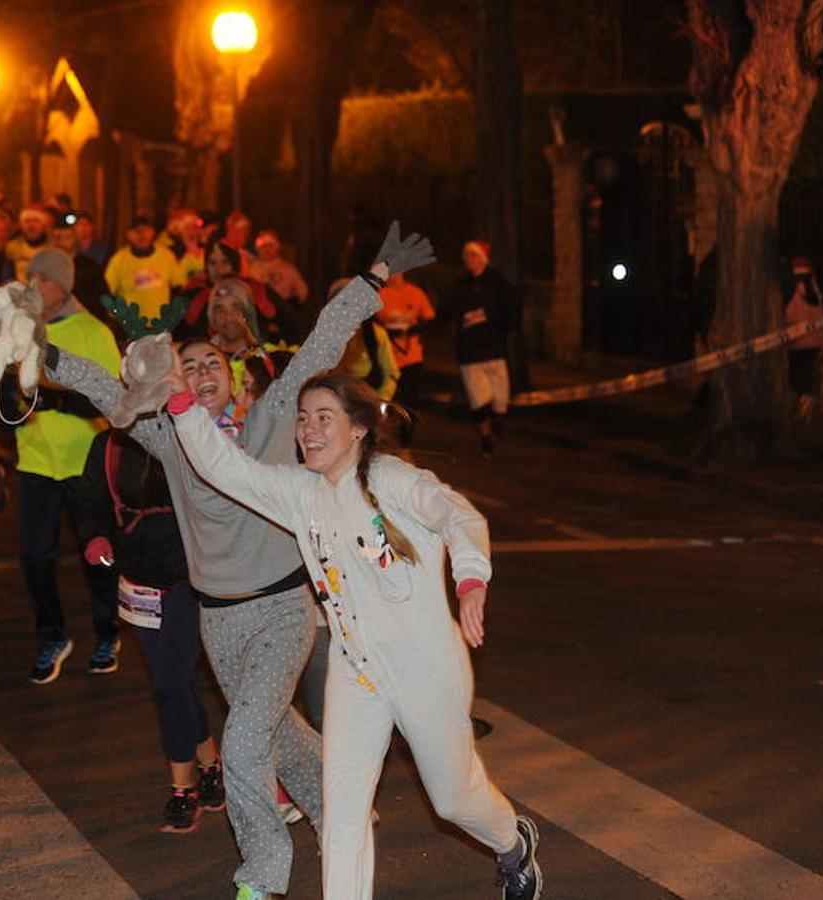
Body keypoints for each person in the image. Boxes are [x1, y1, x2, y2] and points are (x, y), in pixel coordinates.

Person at [31, 225, 433, 899]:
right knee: (281, 734)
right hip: (219, 620)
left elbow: (321, 346)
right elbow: (104, 390)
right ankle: (343, 814)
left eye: (211, 364)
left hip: (280, 609)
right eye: (187, 369)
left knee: (243, 741)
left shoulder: (273, 420)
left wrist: (374, 277)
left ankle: (262, 877)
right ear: (175, 388)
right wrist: (35, 348)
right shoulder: (172, 440)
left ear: (234, 375)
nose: (201, 373)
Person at [168, 372, 542, 900]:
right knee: (342, 814)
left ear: (360, 430)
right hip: (356, 671)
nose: (309, 430)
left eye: (325, 418)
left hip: (425, 669)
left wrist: (471, 578)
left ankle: (511, 844)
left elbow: (458, 515)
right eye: (303, 418)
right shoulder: (300, 491)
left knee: (453, 800)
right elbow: (226, 470)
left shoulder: (393, 482)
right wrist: (182, 406)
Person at [75, 427, 224, 833]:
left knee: (170, 684)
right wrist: (96, 536)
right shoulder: (109, 444)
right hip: (137, 574)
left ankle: (183, 789)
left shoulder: (189, 431)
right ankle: (211, 765)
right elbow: (89, 499)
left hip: (189, 575)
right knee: (173, 682)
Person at [13, 249, 123, 683]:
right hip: (35, 459)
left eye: (43, 278)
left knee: (95, 555)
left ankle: (107, 632)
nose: (34, 285)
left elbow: (113, 398)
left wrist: (56, 397)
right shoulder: (20, 330)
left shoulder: (93, 330)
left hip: (85, 460)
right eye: (30, 277)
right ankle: (52, 635)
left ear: (63, 286)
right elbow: (8, 387)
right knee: (35, 557)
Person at [448, 241, 520, 457]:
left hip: (494, 350)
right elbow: (447, 310)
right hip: (470, 353)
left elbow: (511, 309)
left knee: (500, 400)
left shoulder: (498, 284)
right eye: (466, 255)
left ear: (483, 258)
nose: (468, 259)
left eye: (473, 255)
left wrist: (506, 329)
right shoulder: (460, 285)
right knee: (479, 400)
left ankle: (497, 420)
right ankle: (485, 438)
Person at [103, 216, 186, 338]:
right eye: (136, 231)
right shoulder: (118, 260)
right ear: (128, 234)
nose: (141, 235)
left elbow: (178, 287)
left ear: (152, 232)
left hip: (161, 326)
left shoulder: (166, 256)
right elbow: (108, 293)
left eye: (145, 230)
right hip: (131, 327)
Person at [377, 268, 437, 411]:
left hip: (412, 355)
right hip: (387, 356)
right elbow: (371, 323)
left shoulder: (415, 293)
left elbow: (430, 320)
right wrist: (389, 332)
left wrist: (411, 330)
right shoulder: (379, 295)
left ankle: (407, 428)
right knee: (388, 397)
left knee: (409, 399)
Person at [784, 256, 823, 420]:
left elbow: (792, 315)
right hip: (815, 340)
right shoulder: (815, 290)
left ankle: (803, 403)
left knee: (796, 374)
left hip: (798, 340)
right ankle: (806, 401)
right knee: (807, 372)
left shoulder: (795, 290)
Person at [6, 204, 53, 282]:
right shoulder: (13, 246)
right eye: (27, 221)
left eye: (36, 221)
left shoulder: (53, 247)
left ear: (44, 224)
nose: (31, 225)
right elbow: (7, 277)